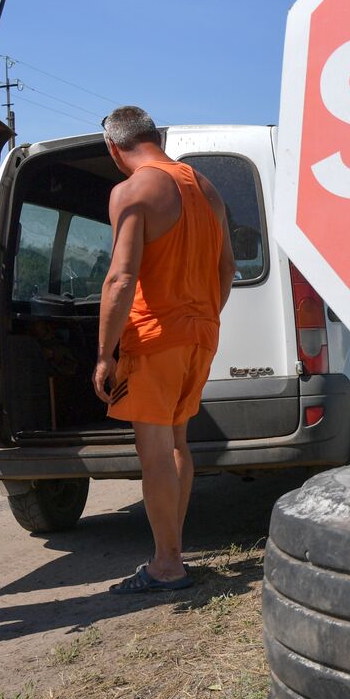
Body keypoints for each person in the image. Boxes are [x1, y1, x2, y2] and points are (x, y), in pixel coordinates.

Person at [92, 106, 234, 593]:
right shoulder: (205, 187)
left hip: (153, 339)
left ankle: (167, 565)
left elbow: (121, 277)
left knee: (153, 452)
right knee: (177, 444)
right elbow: (227, 270)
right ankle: (171, 553)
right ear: (156, 136)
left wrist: (104, 353)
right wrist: (205, 316)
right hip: (200, 335)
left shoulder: (132, 190)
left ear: (115, 148)